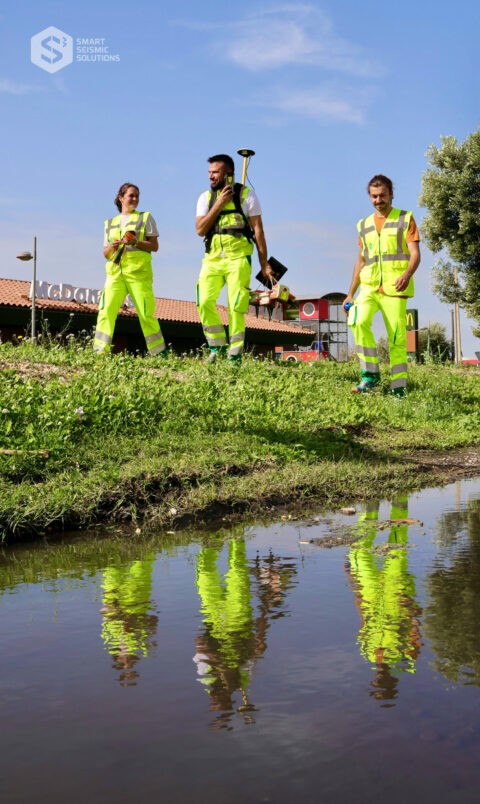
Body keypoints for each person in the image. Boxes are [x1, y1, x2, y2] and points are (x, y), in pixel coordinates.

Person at [342, 175, 421, 396]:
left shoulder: (405, 219)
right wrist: (350, 294)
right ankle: (370, 378)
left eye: (383, 195)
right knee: (357, 321)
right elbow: (361, 261)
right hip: (368, 286)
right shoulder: (364, 225)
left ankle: (398, 388)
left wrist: (407, 274)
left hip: (395, 287)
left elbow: (415, 254)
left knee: (396, 337)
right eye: (374, 196)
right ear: (370, 197)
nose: (379, 200)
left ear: (391, 194)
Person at [195, 154, 274, 363]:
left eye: (216, 172)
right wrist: (219, 204)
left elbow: (258, 230)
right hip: (212, 259)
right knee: (203, 302)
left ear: (228, 174)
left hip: (239, 258)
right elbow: (200, 229)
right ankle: (216, 346)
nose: (211, 176)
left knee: (236, 306)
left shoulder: (248, 196)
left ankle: (234, 355)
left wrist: (264, 263)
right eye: (210, 172)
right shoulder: (206, 197)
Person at [93, 182, 166, 356]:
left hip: (138, 274)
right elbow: (105, 253)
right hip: (115, 274)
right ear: (121, 198)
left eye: (137, 196)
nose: (135, 199)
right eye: (131, 195)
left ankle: (159, 353)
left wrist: (136, 242)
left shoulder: (146, 217)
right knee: (106, 311)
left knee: (146, 313)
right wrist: (112, 246)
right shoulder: (109, 223)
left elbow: (154, 246)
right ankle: (99, 353)